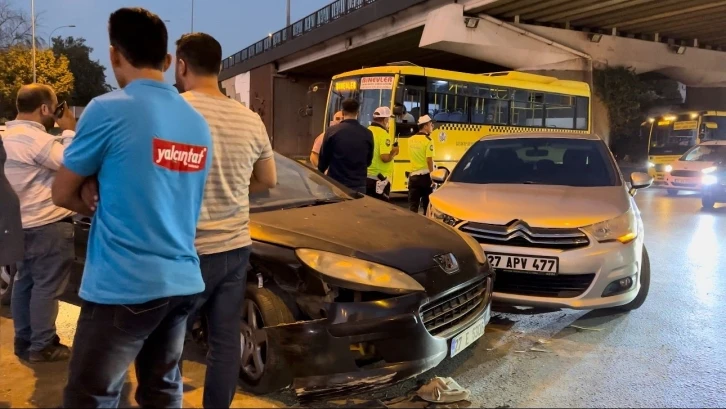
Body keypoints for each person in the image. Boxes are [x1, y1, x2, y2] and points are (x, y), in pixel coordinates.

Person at [53, 8, 212, 407]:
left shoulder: (108, 108)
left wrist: (90, 192)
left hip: (125, 284)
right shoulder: (195, 122)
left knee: (90, 396)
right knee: (162, 390)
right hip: (181, 281)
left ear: (114, 55)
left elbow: (61, 192)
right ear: (168, 61)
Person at [175, 32, 277, 408]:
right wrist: (232, 189)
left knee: (168, 342)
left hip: (187, 250)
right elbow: (268, 179)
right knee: (224, 341)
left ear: (182, 65)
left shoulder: (174, 112)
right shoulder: (249, 119)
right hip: (235, 247)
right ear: (220, 68)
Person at [3, 84, 77, 362]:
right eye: (56, 107)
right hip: (45, 226)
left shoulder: (8, 136)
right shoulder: (35, 140)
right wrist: (68, 129)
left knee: (24, 284)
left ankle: (24, 341)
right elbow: (72, 162)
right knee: (47, 287)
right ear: (45, 109)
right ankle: (43, 345)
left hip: (19, 225)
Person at [318, 98, 373, 193]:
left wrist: (321, 173)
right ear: (358, 112)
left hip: (335, 182)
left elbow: (323, 159)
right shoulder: (367, 133)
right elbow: (368, 161)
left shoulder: (332, 131)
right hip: (358, 184)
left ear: (342, 112)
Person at [366, 106, 398, 201]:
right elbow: (385, 158)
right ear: (384, 120)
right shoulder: (384, 134)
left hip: (366, 177)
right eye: (388, 120)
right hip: (379, 180)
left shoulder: (367, 131)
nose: (388, 122)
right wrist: (394, 152)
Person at [408, 115, 435, 213]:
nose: (432, 126)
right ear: (425, 126)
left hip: (413, 177)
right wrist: (432, 176)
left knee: (413, 207)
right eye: (430, 124)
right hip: (425, 178)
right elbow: (429, 160)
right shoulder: (428, 141)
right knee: (427, 207)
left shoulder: (410, 140)